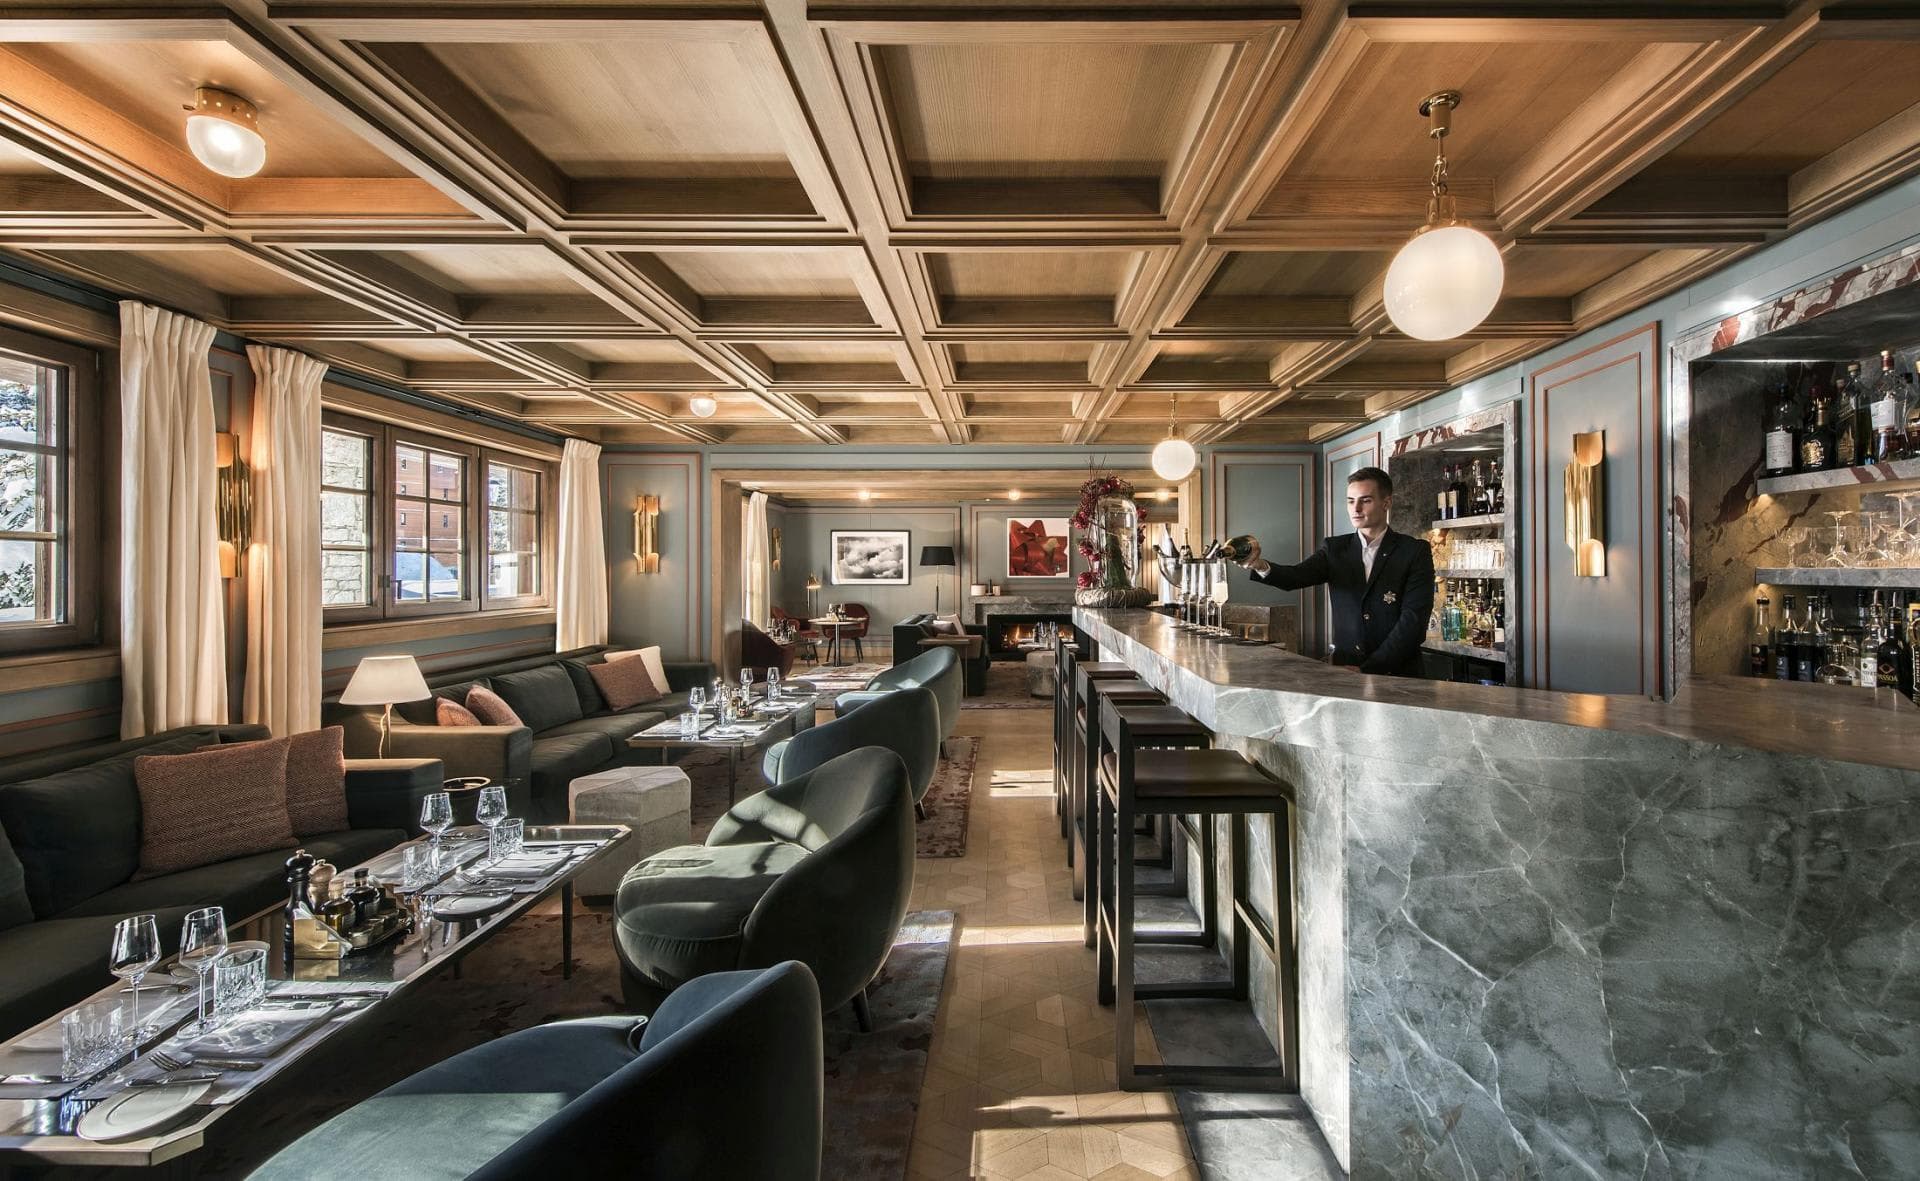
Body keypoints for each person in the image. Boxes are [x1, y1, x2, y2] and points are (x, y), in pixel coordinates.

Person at [1234, 466, 1434, 676]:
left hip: (1399, 675)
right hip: (1346, 672)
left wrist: (1368, 669)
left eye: (1365, 500)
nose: (1356, 508)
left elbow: (1413, 622)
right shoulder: (1335, 549)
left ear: (1387, 503)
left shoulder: (1413, 551)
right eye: (1350, 500)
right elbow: (1295, 577)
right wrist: (1259, 564)